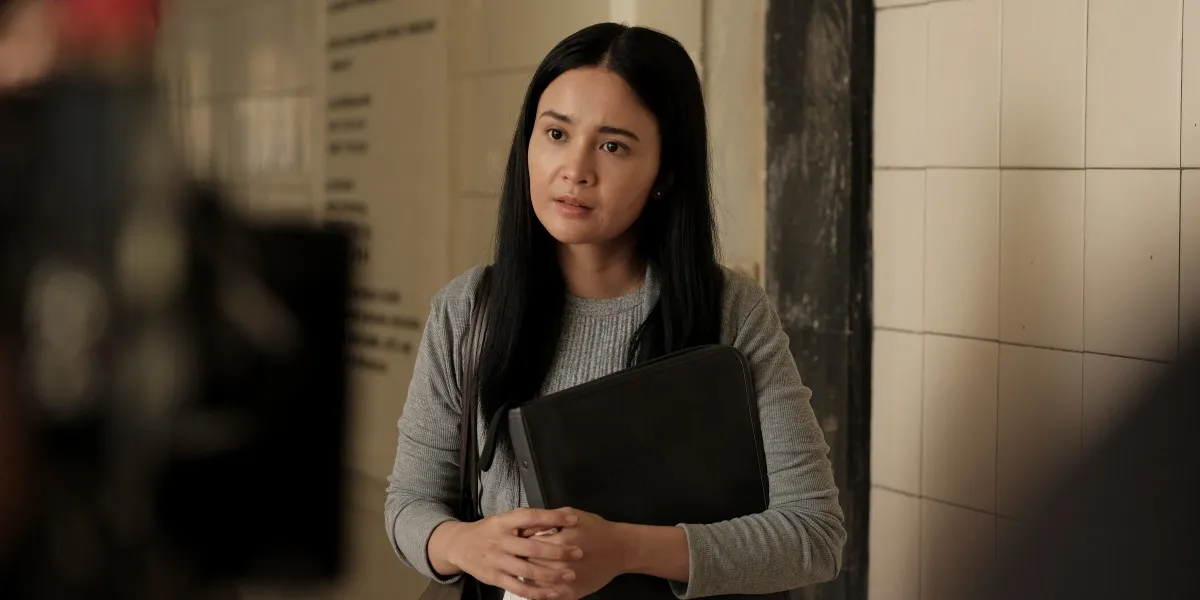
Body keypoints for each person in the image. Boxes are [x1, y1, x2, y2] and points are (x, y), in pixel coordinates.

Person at [384, 22, 846, 600]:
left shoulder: (731, 310)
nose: (575, 169)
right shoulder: (467, 309)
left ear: (665, 171)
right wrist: (464, 544)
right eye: (556, 133)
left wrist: (624, 548)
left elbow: (813, 536)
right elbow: (408, 504)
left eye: (613, 146)